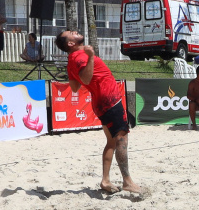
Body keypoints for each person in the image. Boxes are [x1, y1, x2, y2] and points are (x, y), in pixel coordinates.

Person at [57, 30, 140, 194]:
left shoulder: (71, 60)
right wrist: (90, 57)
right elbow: (86, 79)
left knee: (111, 142)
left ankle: (105, 180)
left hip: (101, 101)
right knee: (121, 139)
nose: (75, 31)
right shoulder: (80, 56)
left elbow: (75, 87)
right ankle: (127, 181)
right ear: (70, 44)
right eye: (71, 33)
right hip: (109, 101)